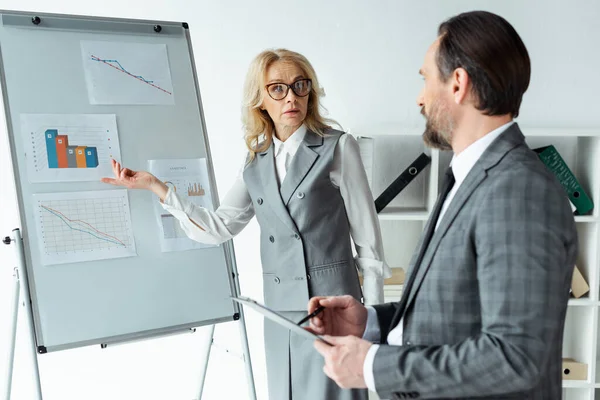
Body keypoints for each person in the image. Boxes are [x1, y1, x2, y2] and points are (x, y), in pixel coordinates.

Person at [308, 11, 578, 400]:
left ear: (457, 84)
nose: (419, 97)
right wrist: (370, 324)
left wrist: (372, 366)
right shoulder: (471, 176)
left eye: (425, 79)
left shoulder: (518, 189)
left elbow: (515, 357)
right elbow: (456, 309)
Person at [102, 48, 390, 400]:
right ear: (260, 101)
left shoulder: (338, 147)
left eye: (300, 85)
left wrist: (374, 323)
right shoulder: (256, 160)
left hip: (332, 309)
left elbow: (369, 245)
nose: (291, 97)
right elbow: (218, 227)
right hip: (281, 311)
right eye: (277, 89)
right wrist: (156, 187)